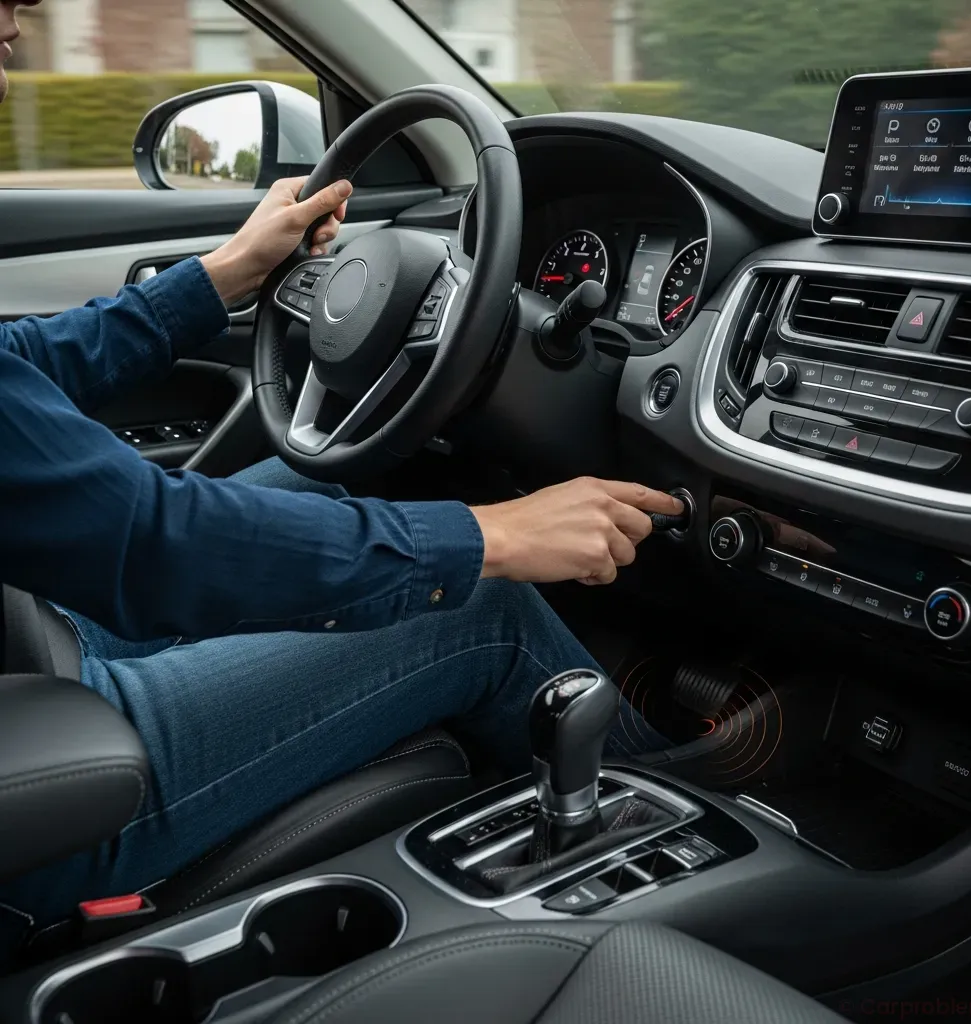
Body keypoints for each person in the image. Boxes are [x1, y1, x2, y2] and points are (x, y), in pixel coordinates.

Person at [0, 0, 677, 952]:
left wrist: (224, 274)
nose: (22, 15)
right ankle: (700, 791)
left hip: (30, 644)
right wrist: (496, 536)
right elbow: (158, 546)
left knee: (323, 486)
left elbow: (15, 369)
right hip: (45, 796)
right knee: (478, 605)